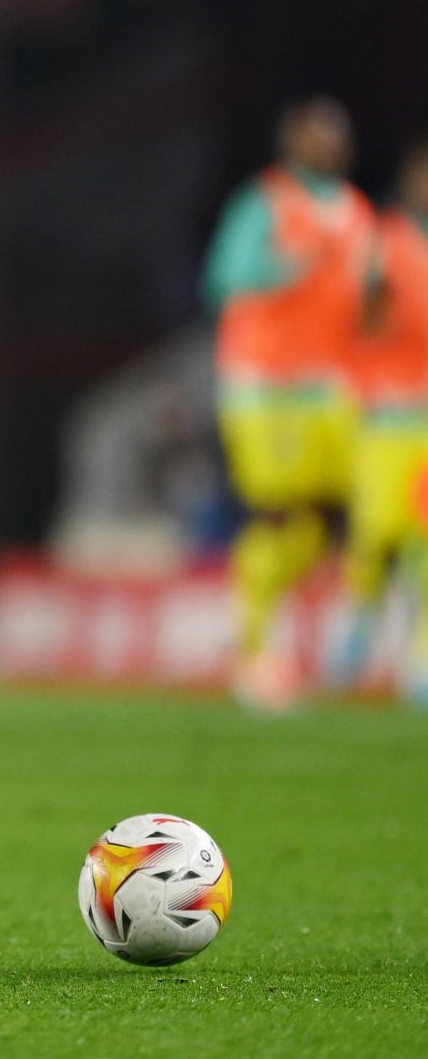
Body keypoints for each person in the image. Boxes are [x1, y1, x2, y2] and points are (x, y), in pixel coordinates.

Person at [201, 98, 374, 708]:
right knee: (277, 511)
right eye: (316, 135)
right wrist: (286, 267)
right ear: (292, 140)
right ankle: (256, 653)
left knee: (337, 518)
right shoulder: (265, 202)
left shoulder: (355, 211)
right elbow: (222, 277)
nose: (327, 145)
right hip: (265, 384)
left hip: (330, 387)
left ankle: (332, 641)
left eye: (336, 135)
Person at [336, 140, 428, 699]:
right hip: (386, 414)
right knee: (377, 538)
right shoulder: (384, 241)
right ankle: (359, 627)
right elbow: (356, 320)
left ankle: (421, 661)